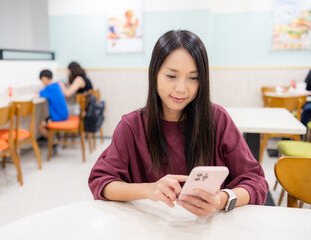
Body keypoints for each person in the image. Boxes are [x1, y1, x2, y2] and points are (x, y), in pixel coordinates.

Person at [88, 30, 269, 218]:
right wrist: (149, 190)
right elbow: (101, 182)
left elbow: (256, 182)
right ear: (155, 74)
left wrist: (221, 200)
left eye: (193, 78)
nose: (181, 88)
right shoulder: (132, 126)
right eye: (171, 76)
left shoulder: (217, 120)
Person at [36, 69, 69, 138]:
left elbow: (37, 95)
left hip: (58, 116)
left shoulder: (50, 88)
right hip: (64, 114)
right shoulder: (56, 85)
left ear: (44, 79)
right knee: (45, 121)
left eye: (42, 80)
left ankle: (53, 142)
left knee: (40, 126)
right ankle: (52, 138)